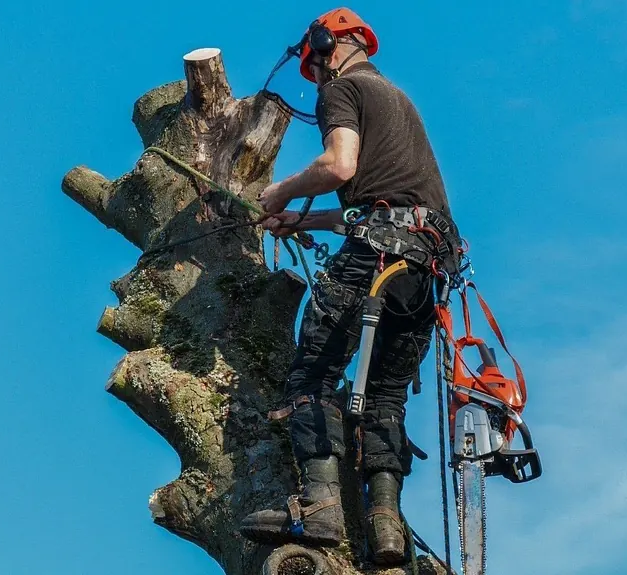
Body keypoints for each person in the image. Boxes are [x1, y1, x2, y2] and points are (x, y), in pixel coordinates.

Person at [238, 7, 461, 566]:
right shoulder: (397, 100)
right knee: (384, 397)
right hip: (425, 267)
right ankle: (387, 525)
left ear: (325, 45)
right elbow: (380, 208)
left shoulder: (342, 89)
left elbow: (339, 167)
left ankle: (321, 508)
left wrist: (281, 193)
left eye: (314, 65)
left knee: (311, 377)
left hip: (377, 255)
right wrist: (304, 222)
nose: (313, 78)